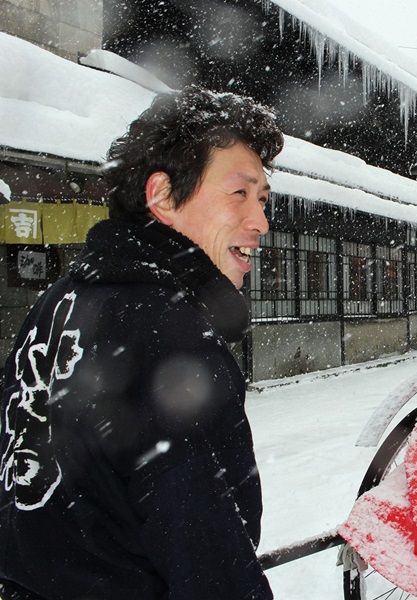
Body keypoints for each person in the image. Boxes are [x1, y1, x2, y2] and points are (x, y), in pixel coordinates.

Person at [0, 86, 283, 600]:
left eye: (263, 200)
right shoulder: (172, 338)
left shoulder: (55, 303)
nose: (260, 222)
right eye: (239, 194)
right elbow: (210, 562)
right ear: (163, 198)